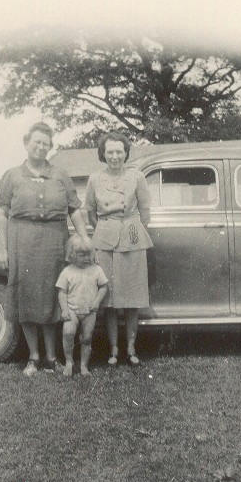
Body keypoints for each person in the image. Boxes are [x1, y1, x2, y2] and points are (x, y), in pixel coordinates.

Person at [0, 122, 89, 376]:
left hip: (54, 241)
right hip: (22, 241)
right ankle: (33, 357)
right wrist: (3, 248)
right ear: (26, 143)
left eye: (46, 143)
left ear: (50, 147)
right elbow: (2, 214)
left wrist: (84, 237)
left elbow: (74, 209)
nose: (41, 147)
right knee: (26, 296)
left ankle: (51, 357)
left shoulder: (60, 175)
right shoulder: (12, 176)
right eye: (36, 142)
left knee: (52, 296)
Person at [84, 131, 153, 366]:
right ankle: (113, 349)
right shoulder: (95, 179)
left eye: (119, 151)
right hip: (104, 239)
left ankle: (131, 348)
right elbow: (90, 212)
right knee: (109, 298)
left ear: (126, 153)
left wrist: (132, 231)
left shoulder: (137, 177)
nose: (114, 156)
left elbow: (145, 212)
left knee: (132, 297)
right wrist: (106, 229)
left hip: (132, 237)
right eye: (110, 152)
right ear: (103, 154)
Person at [56, 235, 109, 377]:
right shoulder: (68, 271)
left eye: (88, 254)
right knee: (68, 333)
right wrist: (64, 309)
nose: (86, 258)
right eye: (81, 255)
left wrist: (97, 301)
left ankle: (84, 365)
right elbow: (62, 292)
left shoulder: (96, 270)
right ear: (72, 255)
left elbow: (104, 287)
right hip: (72, 310)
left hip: (89, 311)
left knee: (87, 338)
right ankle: (69, 361)